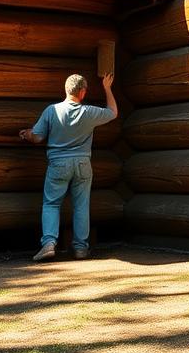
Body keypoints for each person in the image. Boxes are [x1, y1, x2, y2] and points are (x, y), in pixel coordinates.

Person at [19, 72, 118, 262]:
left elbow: (38, 137)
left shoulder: (51, 111)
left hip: (58, 164)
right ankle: (81, 248)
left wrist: (27, 134)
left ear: (66, 90)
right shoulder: (89, 112)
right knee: (81, 205)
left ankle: (49, 244)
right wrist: (107, 88)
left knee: (51, 203)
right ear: (82, 92)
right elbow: (113, 112)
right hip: (83, 164)